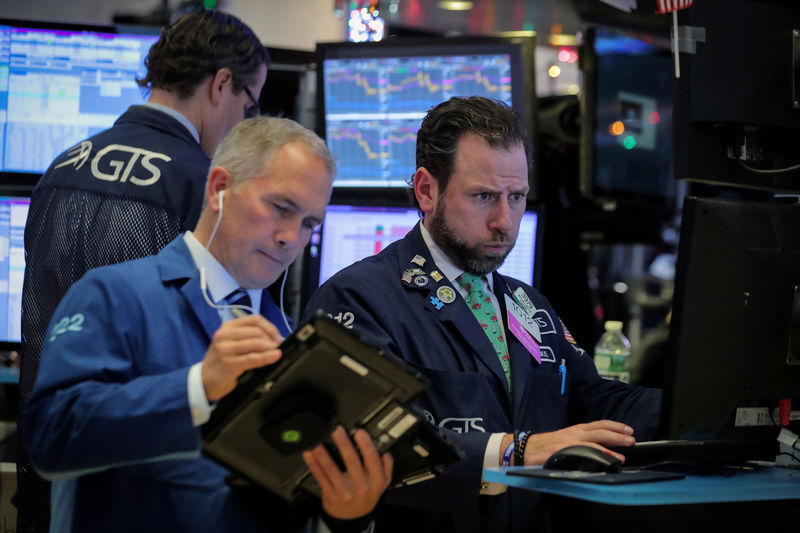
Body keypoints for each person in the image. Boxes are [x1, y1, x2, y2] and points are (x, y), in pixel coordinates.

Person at [302, 96, 662, 532]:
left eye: (516, 197)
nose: (505, 221)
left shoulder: (529, 305)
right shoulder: (359, 298)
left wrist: (705, 404)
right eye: (484, 196)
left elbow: (598, 401)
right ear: (426, 190)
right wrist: (518, 450)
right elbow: (376, 438)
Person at [23, 116, 393, 532]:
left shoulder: (287, 338)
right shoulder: (115, 295)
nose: (291, 237)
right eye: (280, 208)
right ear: (219, 188)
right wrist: (197, 387)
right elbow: (50, 438)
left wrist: (343, 516)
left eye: (309, 223)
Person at [16, 9, 270, 531]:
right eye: (249, 105)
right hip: (144, 490)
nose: (242, 123)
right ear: (221, 84)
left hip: (48, 460)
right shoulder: (206, 186)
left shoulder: (60, 166)